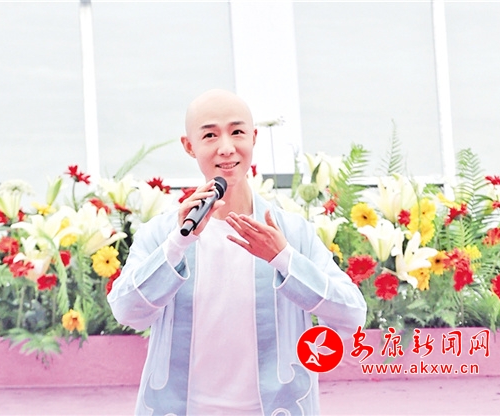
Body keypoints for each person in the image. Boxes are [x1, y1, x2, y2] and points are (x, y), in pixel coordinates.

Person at [107, 89, 367, 415]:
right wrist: (177, 244)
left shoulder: (291, 232)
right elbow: (127, 311)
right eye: (210, 135)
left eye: (237, 132)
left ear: (254, 137)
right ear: (189, 146)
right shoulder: (163, 233)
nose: (226, 147)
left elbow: (351, 315)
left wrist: (283, 258)